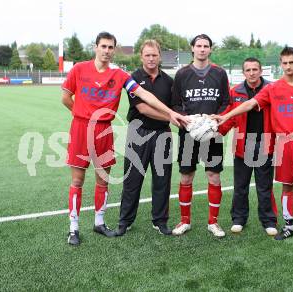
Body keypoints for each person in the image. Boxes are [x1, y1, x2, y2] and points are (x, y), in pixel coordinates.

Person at [61, 32, 188, 246]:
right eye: (103, 46)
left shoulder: (119, 75)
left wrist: (171, 113)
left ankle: (99, 223)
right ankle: (73, 228)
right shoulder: (79, 69)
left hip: (104, 130)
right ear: (96, 47)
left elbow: (144, 95)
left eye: (111, 47)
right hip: (81, 128)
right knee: (77, 180)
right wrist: (83, 116)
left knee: (103, 180)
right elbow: (65, 97)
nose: (107, 51)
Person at [213, 47, 293, 246]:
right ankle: (288, 226)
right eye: (284, 63)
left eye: (292, 62)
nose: (288, 66)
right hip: (277, 145)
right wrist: (225, 117)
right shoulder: (272, 89)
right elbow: (248, 105)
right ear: (280, 64)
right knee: (284, 186)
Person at [171, 34, 230, 237]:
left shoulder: (220, 74)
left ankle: (213, 222)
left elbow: (225, 102)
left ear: (210, 49)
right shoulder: (182, 74)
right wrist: (188, 120)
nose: (202, 49)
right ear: (192, 49)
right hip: (189, 134)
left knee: (213, 175)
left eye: (206, 46)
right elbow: (175, 104)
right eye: (199, 46)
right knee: (186, 176)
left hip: (212, 134)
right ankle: (184, 221)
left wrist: (216, 119)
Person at [116, 40, 173, 236]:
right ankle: (125, 221)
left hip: (163, 136)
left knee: (162, 180)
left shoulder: (168, 81)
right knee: (132, 180)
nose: (151, 59)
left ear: (159, 57)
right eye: (147, 55)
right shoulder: (133, 78)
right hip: (137, 134)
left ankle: (160, 221)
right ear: (141, 57)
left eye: (154, 55)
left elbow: (175, 108)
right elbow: (143, 108)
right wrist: (171, 117)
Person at [218, 57, 278, 236]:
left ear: (261, 71)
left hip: (265, 143)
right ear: (243, 72)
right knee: (240, 186)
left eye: (255, 69)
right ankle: (238, 219)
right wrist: (217, 131)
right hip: (242, 144)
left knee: (264, 186)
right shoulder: (235, 91)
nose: (251, 73)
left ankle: (268, 221)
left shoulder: (271, 90)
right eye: (248, 70)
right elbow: (229, 116)